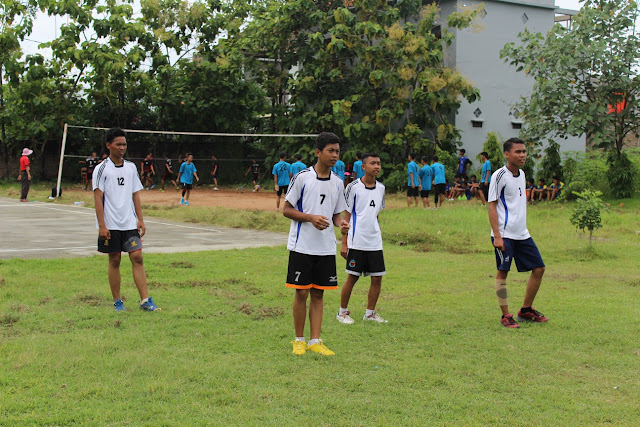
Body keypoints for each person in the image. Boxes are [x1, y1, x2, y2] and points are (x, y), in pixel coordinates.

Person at [283, 132, 349, 356]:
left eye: (337, 151)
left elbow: (336, 214)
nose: (335, 155)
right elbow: (287, 210)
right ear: (318, 152)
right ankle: (299, 340)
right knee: (301, 293)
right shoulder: (302, 178)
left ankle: (315, 340)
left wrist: (341, 225)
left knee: (319, 294)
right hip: (302, 246)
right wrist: (311, 217)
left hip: (325, 247)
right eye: (330, 151)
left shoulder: (338, 183)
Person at [92, 128, 160, 312]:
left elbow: (135, 195)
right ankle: (117, 301)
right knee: (114, 260)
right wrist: (102, 225)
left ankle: (145, 300)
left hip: (129, 223)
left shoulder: (130, 167)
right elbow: (98, 198)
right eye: (118, 144)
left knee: (137, 257)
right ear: (108, 145)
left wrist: (140, 219)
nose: (122, 148)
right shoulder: (101, 169)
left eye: (124, 144)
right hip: (110, 224)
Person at [488, 137, 547, 329]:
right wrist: (497, 235)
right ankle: (506, 315)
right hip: (504, 234)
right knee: (503, 272)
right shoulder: (499, 175)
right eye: (518, 152)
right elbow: (492, 205)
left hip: (522, 234)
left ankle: (526, 310)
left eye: (524, 152)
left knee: (539, 268)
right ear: (507, 154)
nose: (523, 155)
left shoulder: (522, 174)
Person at [337, 152, 387, 324]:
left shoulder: (381, 188)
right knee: (353, 276)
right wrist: (344, 243)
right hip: (356, 241)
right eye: (373, 163)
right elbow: (347, 216)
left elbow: (376, 215)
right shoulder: (353, 187)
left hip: (374, 242)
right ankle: (342, 312)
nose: (377, 166)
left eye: (379, 163)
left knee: (377, 277)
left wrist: (377, 234)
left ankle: (370, 313)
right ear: (363, 167)